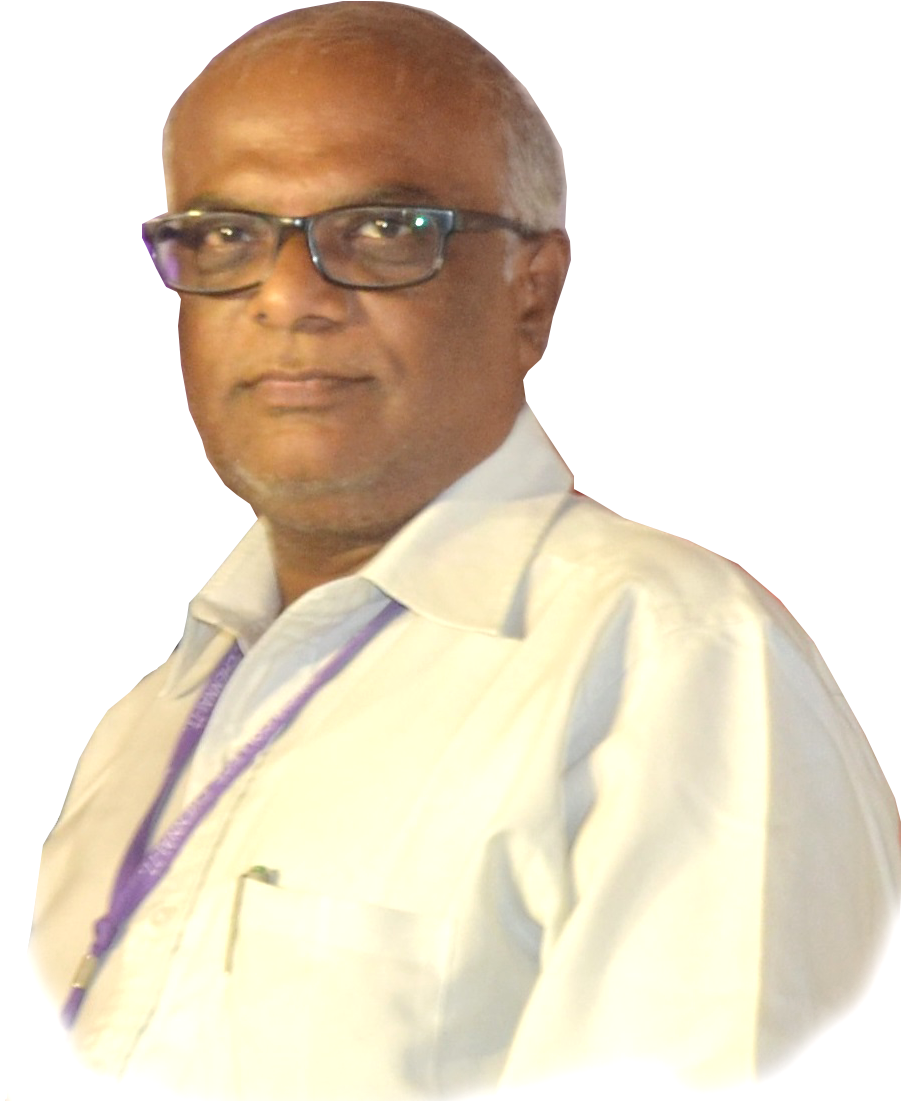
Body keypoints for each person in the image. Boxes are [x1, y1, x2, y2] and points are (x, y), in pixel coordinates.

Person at [26, 4, 900, 1100]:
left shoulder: (672, 663)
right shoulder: (140, 729)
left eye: (383, 229)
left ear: (530, 291)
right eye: (226, 236)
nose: (289, 297)